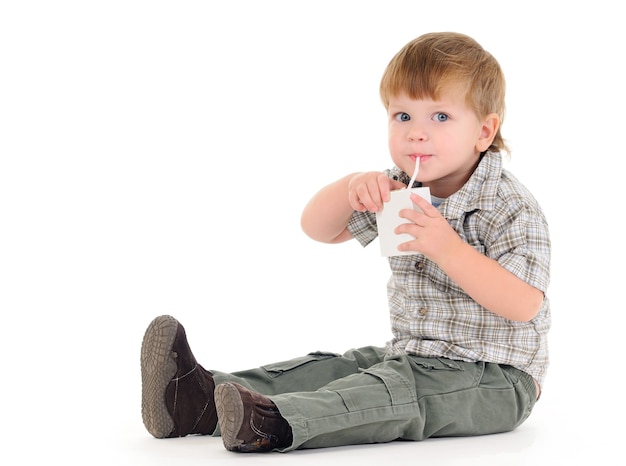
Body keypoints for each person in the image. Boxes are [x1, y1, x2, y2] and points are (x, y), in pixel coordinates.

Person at [140, 31, 551, 453]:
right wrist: (350, 188)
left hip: (496, 378)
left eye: (440, 117)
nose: (416, 134)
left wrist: (448, 249)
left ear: (484, 132)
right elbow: (318, 228)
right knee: (343, 368)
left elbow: (524, 304)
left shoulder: (509, 205)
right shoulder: (399, 187)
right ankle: (197, 399)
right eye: (403, 116)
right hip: (411, 353)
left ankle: (274, 424)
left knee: (396, 390)